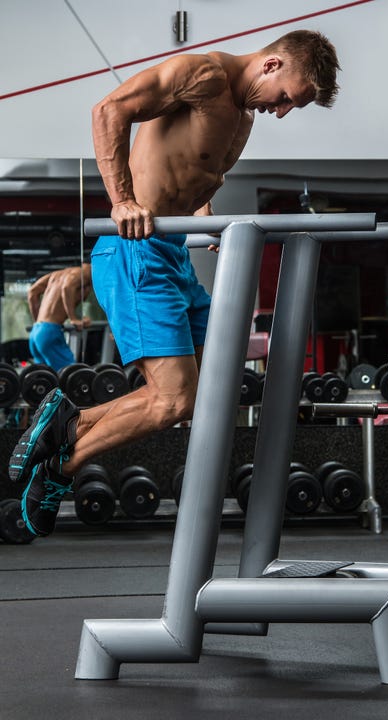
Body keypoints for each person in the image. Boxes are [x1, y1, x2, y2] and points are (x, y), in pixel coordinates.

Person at [9, 29, 340, 536]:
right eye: (287, 99)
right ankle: (63, 463)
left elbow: (197, 170)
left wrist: (203, 215)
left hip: (173, 259)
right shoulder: (202, 75)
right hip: (135, 252)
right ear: (272, 65)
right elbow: (109, 110)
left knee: (212, 387)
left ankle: (64, 421)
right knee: (173, 400)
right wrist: (121, 199)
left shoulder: (244, 113)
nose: (283, 111)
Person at [26, 264, 93, 372]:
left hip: (36, 332)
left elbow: (32, 292)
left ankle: (54, 390)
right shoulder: (82, 274)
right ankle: (61, 390)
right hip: (49, 333)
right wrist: (73, 318)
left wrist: (40, 321)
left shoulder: (57, 275)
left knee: (46, 380)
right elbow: (66, 287)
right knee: (71, 376)